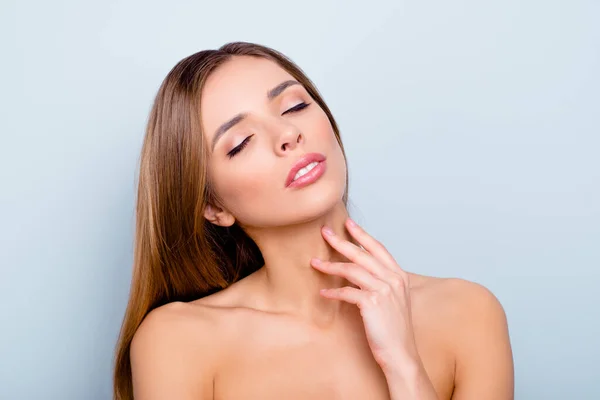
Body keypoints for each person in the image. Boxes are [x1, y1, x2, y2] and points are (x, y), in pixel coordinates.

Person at [112, 41, 514, 400]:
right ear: (214, 208)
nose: (288, 133)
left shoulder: (470, 314)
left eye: (295, 106)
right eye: (241, 143)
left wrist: (403, 365)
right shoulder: (177, 341)